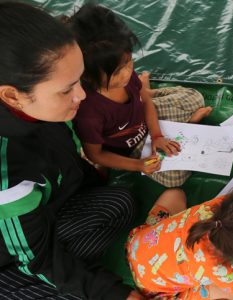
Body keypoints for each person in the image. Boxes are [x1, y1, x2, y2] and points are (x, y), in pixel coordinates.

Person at [0, 2, 139, 299]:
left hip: (43, 214)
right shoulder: (7, 172)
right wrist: (119, 295)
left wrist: (90, 176)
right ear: (12, 95)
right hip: (10, 253)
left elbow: (63, 154)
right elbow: (39, 260)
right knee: (65, 288)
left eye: (80, 80)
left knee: (121, 203)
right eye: (67, 89)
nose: (82, 95)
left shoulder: (43, 111)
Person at [69, 3, 212, 188]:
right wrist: (138, 165)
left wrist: (158, 135)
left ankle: (149, 89)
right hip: (128, 149)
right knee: (175, 178)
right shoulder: (90, 113)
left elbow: (146, 103)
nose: (128, 72)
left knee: (196, 97)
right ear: (87, 75)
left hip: (146, 122)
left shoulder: (126, 77)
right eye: (118, 70)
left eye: (129, 62)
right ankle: (186, 122)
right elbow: (95, 154)